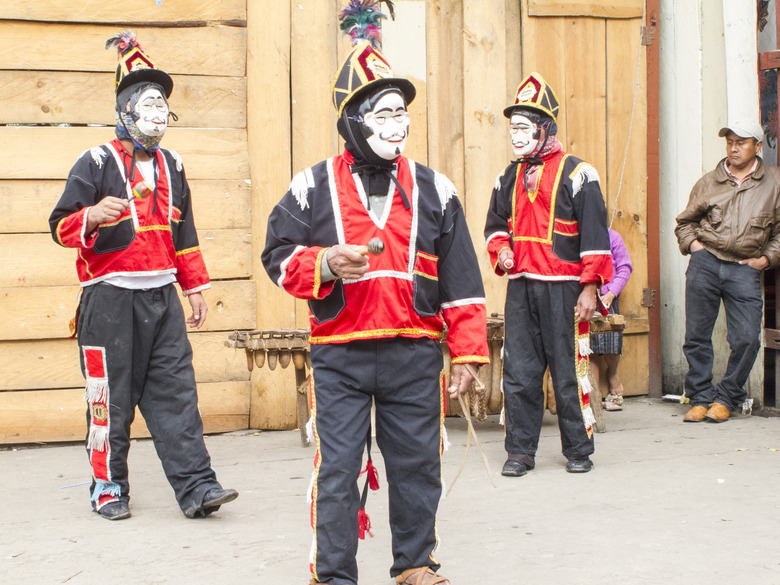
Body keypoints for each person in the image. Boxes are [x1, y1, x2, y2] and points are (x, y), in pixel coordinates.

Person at [262, 7, 489, 584]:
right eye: (383, 113)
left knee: (418, 464)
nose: (398, 124)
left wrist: (467, 353)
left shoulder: (437, 188)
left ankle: (415, 564)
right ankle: (334, 574)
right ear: (352, 122)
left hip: (415, 351)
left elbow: (462, 278)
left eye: (402, 112)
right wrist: (324, 263)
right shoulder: (310, 185)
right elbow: (276, 256)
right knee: (338, 469)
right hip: (339, 354)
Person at [48, 32, 237, 520]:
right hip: (109, 301)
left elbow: (185, 233)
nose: (158, 112)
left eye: (163, 105)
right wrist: (90, 217)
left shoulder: (174, 165)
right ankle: (109, 486)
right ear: (125, 110)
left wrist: (194, 287)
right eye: (148, 103)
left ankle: (198, 487)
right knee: (109, 397)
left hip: (162, 299)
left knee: (177, 393)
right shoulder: (94, 162)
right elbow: (59, 227)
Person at [484, 72, 613, 477]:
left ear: (545, 128)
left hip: (566, 291)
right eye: (512, 129)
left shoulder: (580, 174)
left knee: (568, 372)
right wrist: (503, 251)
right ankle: (519, 452)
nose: (516, 136)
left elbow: (595, 235)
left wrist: (590, 286)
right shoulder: (508, 176)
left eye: (523, 128)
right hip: (522, 289)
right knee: (520, 372)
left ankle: (578, 448)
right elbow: (494, 225)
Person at [675, 120, 780, 423]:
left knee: (747, 337)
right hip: (706, 262)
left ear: (758, 146)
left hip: (745, 267)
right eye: (729, 142)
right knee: (696, 335)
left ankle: (727, 397)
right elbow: (685, 222)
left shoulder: (773, 183)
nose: (733, 148)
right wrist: (695, 248)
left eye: (741, 142)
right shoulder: (709, 181)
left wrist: (765, 260)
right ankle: (699, 396)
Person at [590, 228, 633, 411]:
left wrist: (611, 293)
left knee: (611, 345)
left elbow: (624, 268)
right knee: (589, 347)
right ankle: (594, 393)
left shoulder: (613, 236)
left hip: (608, 297)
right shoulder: (577, 236)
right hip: (584, 298)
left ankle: (613, 375)